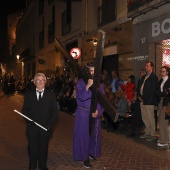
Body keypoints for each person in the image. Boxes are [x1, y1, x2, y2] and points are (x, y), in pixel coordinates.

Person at [22, 73, 58, 170]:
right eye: (38, 80)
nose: (40, 82)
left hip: (45, 128)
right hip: (32, 128)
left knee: (43, 149)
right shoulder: (29, 95)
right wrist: (29, 120)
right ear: (34, 82)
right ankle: (32, 166)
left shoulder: (51, 95)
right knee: (32, 149)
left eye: (42, 80)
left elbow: (54, 112)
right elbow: (24, 110)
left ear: (45, 82)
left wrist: (49, 125)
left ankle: (42, 166)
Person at [73, 62, 104, 168]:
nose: (93, 73)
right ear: (87, 72)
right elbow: (80, 97)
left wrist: (98, 111)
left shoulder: (99, 84)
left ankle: (91, 152)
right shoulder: (81, 82)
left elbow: (102, 101)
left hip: (94, 113)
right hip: (83, 113)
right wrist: (87, 86)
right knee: (84, 136)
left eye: (95, 71)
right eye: (91, 71)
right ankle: (84, 158)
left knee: (94, 135)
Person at [138, 61, 158, 141]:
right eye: (146, 66)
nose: (146, 67)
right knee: (145, 117)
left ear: (152, 67)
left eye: (147, 66)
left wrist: (145, 98)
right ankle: (147, 131)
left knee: (150, 117)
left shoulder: (154, 77)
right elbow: (140, 86)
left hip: (149, 101)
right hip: (142, 100)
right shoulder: (144, 77)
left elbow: (153, 90)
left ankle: (152, 133)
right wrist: (139, 95)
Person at [156, 66, 170, 147]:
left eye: (163, 71)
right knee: (160, 121)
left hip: (167, 103)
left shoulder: (169, 81)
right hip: (161, 102)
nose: (162, 73)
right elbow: (157, 92)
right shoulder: (160, 80)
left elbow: (167, 93)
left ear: (167, 72)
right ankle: (163, 139)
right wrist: (162, 94)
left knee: (163, 122)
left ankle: (164, 141)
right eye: (161, 71)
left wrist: (161, 94)